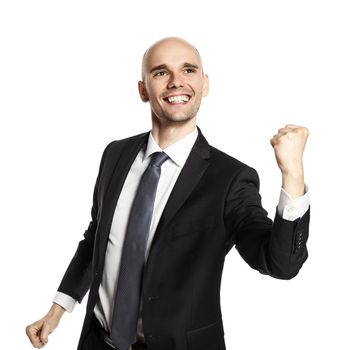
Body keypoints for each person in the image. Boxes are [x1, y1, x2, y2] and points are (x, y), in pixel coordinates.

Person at [26, 37, 310, 350]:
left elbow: (281, 264)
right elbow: (97, 240)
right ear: (143, 89)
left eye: (188, 71)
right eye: (161, 73)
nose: (177, 82)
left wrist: (292, 176)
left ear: (204, 84)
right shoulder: (115, 155)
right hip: (98, 342)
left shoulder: (230, 178)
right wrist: (57, 310)